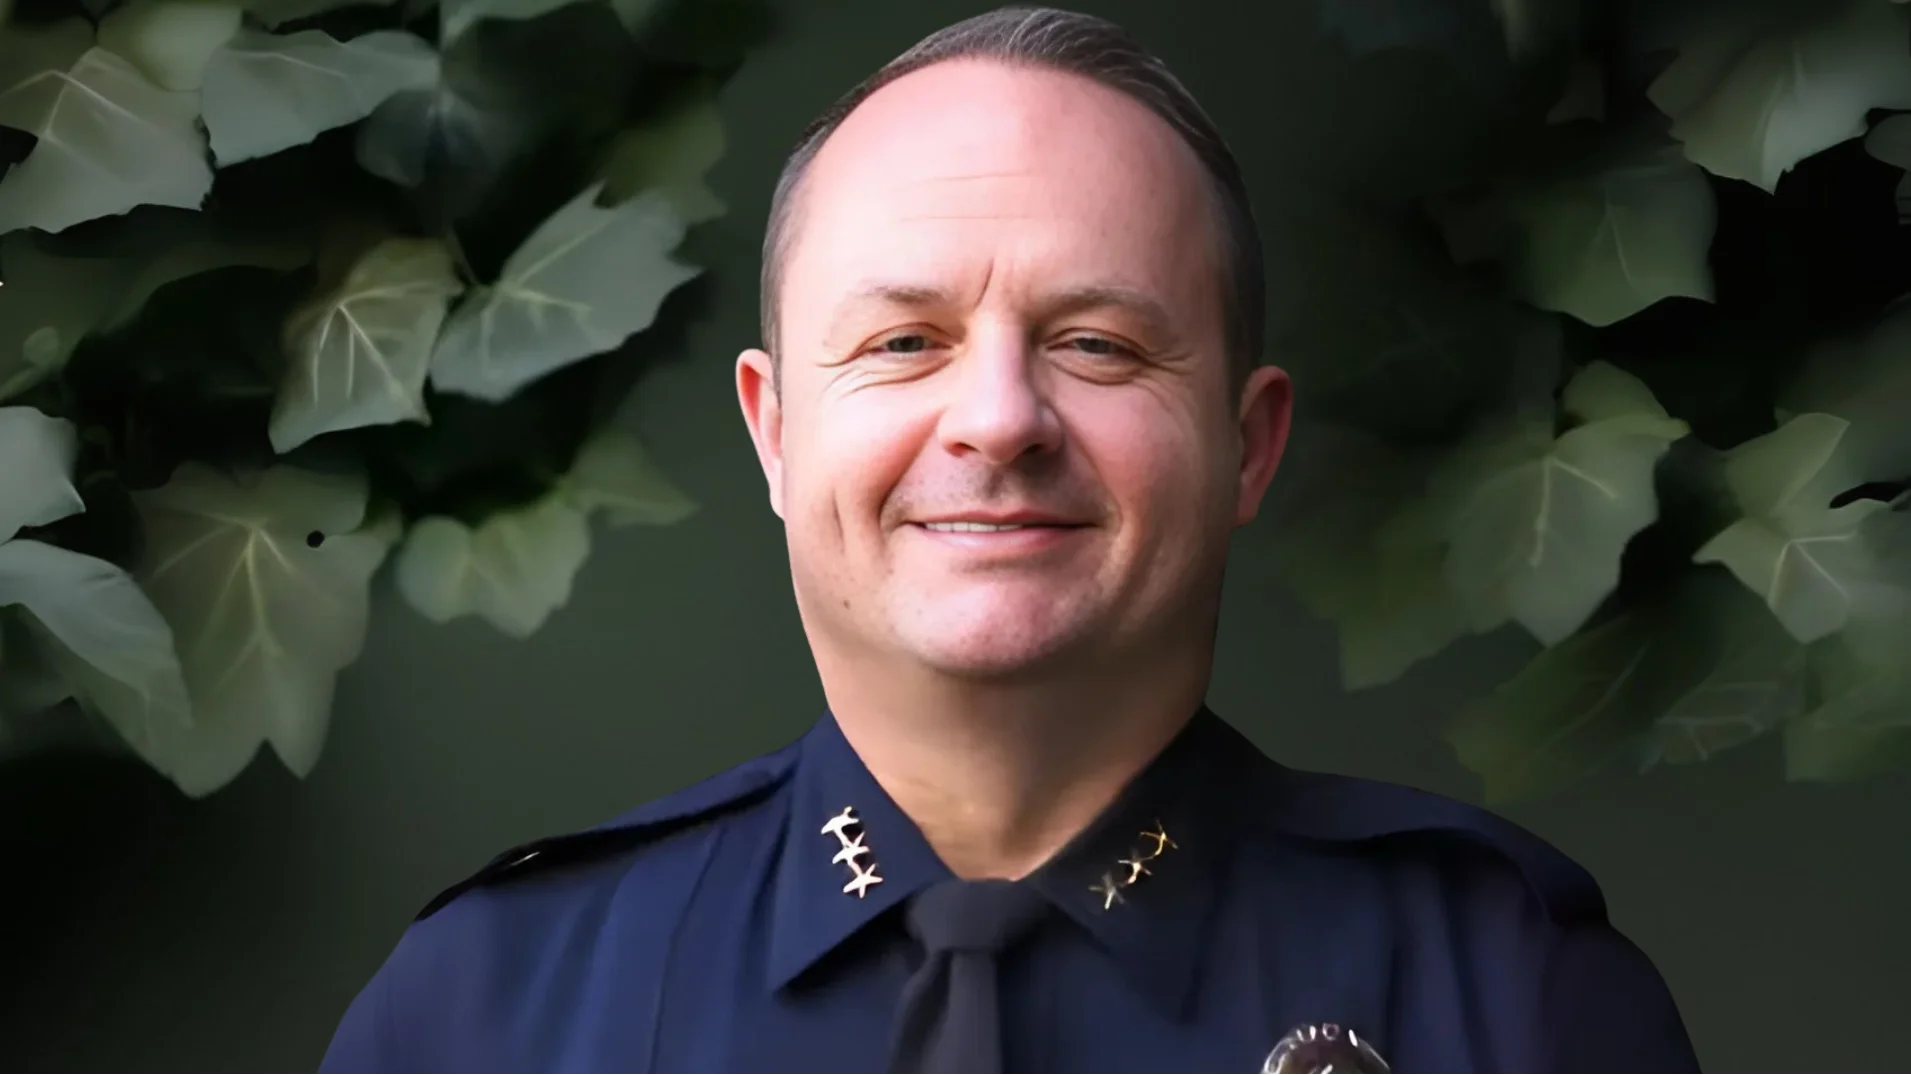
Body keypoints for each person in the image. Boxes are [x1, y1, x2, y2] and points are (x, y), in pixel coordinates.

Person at [319, 6, 1703, 1073]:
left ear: (1248, 444)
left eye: (1096, 344)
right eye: (903, 342)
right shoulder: (483, 1013)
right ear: (776, 433)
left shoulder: (1514, 1002)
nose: (997, 418)